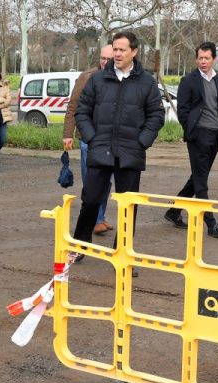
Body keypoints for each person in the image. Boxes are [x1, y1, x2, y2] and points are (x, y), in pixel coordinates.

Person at [72, 31, 165, 250]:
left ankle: (123, 252)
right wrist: (92, 138)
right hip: (100, 149)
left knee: (128, 206)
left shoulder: (146, 83)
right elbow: (82, 111)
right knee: (91, 200)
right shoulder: (98, 79)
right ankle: (80, 246)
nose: (117, 54)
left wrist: (142, 141)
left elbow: (156, 115)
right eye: (115, 49)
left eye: (122, 49)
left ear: (134, 51)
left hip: (130, 153)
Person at [164, 42, 218, 239]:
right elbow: (183, 111)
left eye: (207, 58)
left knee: (197, 177)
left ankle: (174, 211)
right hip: (198, 136)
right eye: (200, 58)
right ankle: (211, 224)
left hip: (215, 136)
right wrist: (190, 131)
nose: (203, 62)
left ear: (214, 59)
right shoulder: (189, 80)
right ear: (196, 59)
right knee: (201, 182)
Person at [63, 44, 115, 235]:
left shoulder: (119, 78)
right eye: (103, 58)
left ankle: (100, 217)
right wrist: (68, 134)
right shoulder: (87, 77)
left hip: (110, 139)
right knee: (92, 181)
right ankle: (95, 220)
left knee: (106, 181)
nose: (105, 62)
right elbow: (72, 107)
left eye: (109, 59)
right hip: (89, 138)